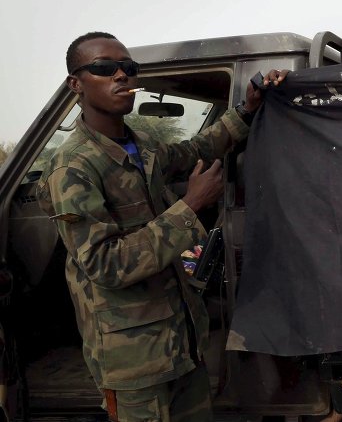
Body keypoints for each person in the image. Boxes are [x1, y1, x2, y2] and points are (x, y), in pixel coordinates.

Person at [38, 31, 286, 421]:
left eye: (128, 68)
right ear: (76, 84)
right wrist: (191, 206)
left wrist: (246, 109)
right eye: (104, 69)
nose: (121, 75)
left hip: (182, 341)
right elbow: (105, 265)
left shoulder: (142, 144)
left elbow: (197, 151)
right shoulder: (74, 167)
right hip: (134, 361)